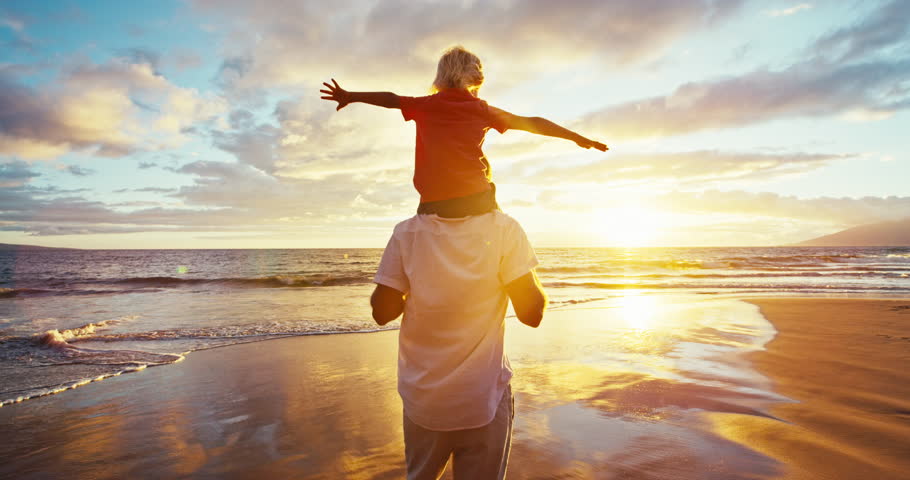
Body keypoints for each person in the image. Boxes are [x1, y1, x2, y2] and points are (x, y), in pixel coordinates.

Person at [321, 45, 605, 479]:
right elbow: (532, 315)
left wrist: (351, 95)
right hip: (482, 398)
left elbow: (382, 313)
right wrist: (575, 138)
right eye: (477, 69)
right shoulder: (499, 211)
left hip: (423, 398)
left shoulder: (407, 232)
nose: (479, 74)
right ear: (469, 74)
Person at [320, 45, 607, 218]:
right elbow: (533, 122)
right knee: (500, 243)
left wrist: (351, 95)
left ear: (442, 75)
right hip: (476, 196)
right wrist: (578, 138)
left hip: (432, 201)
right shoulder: (482, 110)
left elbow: (391, 98)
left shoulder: (426, 105)